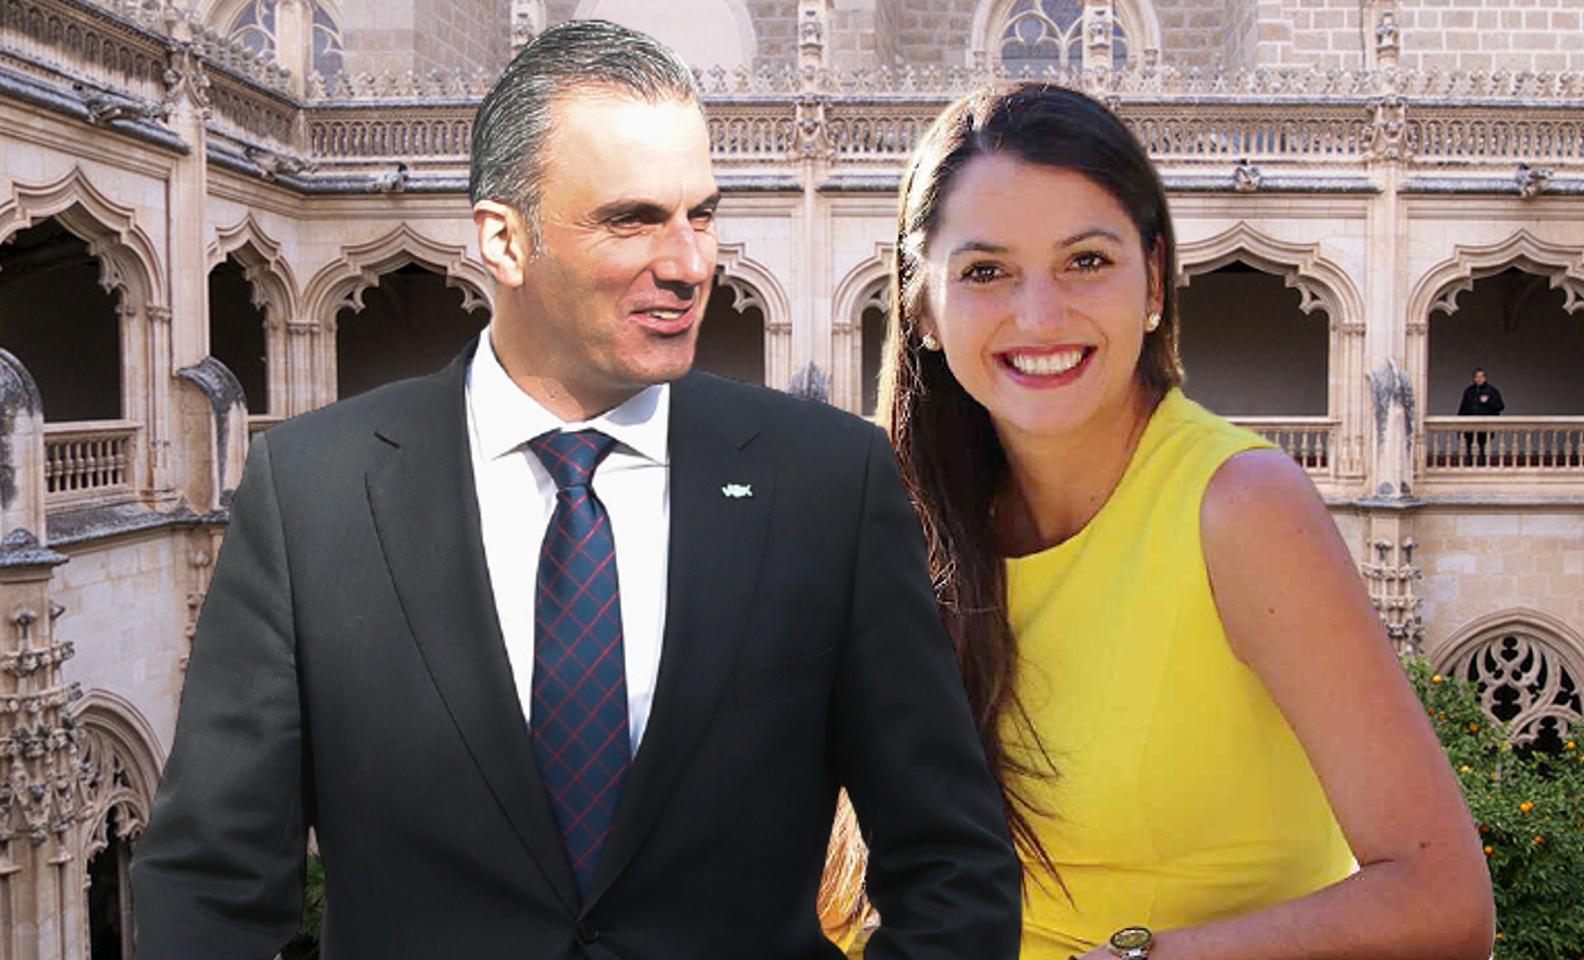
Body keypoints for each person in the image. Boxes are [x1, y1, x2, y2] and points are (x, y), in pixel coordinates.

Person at [130, 21, 1021, 960]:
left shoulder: (828, 481)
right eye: (632, 220)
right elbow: (212, 889)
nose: (689, 265)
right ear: (504, 241)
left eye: (701, 215)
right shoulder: (312, 492)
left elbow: (952, 865)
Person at [830, 83, 1495, 960]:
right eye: (986, 271)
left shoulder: (1241, 508)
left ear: (1153, 280)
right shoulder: (899, 517)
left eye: (1086, 261)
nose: (1040, 316)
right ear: (922, 307)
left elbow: (1445, 903)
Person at [1457, 367, 1505, 465]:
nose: (1479, 379)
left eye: (1481, 377)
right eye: (1477, 377)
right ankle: (1470, 467)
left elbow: (1500, 406)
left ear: (1485, 378)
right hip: (1470, 426)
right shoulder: (1469, 391)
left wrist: (1488, 401)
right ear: (1474, 378)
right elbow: (1463, 408)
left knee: (1484, 449)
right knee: (1470, 448)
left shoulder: (1491, 391)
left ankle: (1484, 466)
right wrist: (1459, 426)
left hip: (1485, 426)